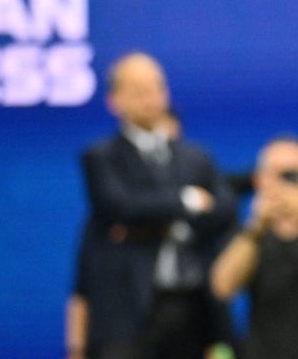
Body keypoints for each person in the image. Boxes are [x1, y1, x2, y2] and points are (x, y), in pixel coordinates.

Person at [78, 52, 236, 359]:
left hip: (192, 307)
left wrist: (155, 221)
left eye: (156, 88)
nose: (150, 98)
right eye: (138, 91)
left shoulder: (195, 157)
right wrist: (185, 201)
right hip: (129, 311)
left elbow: (224, 209)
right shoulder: (102, 158)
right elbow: (120, 207)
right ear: (114, 100)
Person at [209, 136, 298, 359]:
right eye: (279, 175)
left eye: (294, 175)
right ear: (259, 180)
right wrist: (256, 226)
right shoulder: (248, 235)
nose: (287, 183)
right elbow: (223, 287)